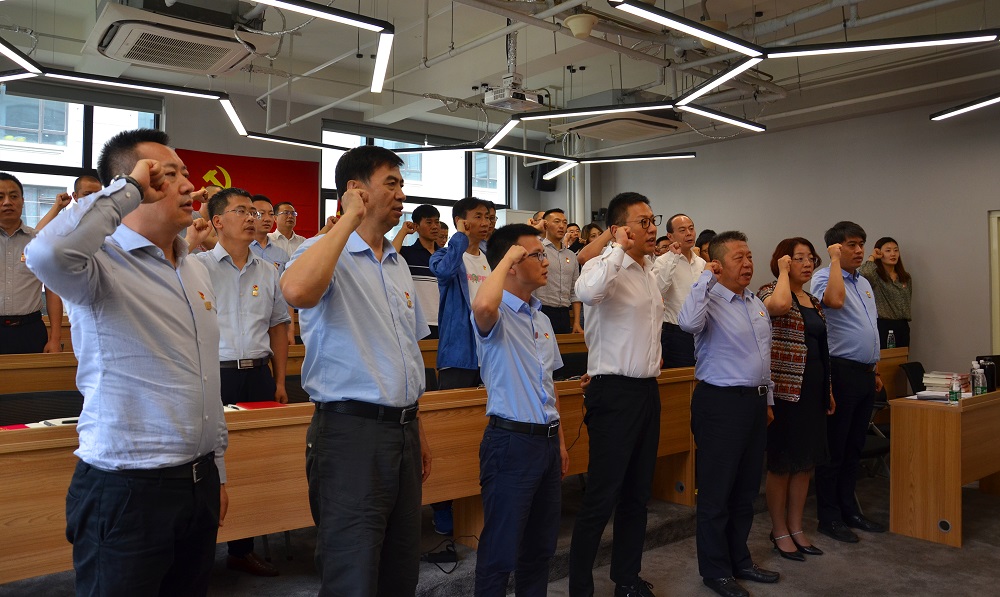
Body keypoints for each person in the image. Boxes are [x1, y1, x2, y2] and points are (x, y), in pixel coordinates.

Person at [25, 129, 228, 596]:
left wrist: (217, 471)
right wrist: (130, 188)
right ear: (132, 185)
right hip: (127, 490)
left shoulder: (193, 267)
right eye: (167, 175)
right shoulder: (99, 263)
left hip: (197, 480)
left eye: (185, 172)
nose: (188, 185)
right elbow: (46, 252)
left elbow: (204, 380)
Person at [280, 144, 432, 596]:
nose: (402, 194)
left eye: (402, 185)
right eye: (392, 183)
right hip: (351, 434)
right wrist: (347, 220)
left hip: (403, 431)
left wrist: (418, 429)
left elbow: (407, 354)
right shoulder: (322, 250)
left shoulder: (398, 264)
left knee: (400, 569)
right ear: (355, 190)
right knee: (354, 571)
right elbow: (297, 292)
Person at [569, 192, 664, 597]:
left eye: (653, 220)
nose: (652, 228)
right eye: (643, 222)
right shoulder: (603, 266)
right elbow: (587, 293)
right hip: (613, 392)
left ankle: (626, 579)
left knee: (638, 495)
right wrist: (615, 249)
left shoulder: (647, 271)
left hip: (647, 391)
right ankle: (580, 588)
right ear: (620, 228)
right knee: (601, 497)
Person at [678, 231, 780, 597]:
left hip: (754, 403)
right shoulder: (707, 298)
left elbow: (763, 357)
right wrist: (706, 278)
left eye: (749, 256)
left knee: (745, 490)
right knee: (717, 493)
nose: (748, 263)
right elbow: (687, 323)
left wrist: (767, 400)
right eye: (739, 258)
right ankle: (716, 571)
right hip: (720, 404)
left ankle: (740, 560)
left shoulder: (753, 301)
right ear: (718, 264)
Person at [196, 187, 291, 577]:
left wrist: (280, 380)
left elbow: (279, 326)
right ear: (218, 221)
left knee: (256, 461)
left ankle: (242, 548)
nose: (253, 218)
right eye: (242, 211)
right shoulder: (197, 266)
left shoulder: (268, 271)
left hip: (258, 376)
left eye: (254, 211)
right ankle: (200, 550)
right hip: (214, 375)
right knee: (209, 462)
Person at [471, 223, 569, 597]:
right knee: (500, 551)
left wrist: (560, 442)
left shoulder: (541, 318)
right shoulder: (494, 312)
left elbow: (549, 385)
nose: (546, 262)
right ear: (512, 264)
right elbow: (483, 304)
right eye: (537, 255)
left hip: (546, 443)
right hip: (511, 444)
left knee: (540, 549)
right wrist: (507, 255)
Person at [757, 238, 835, 563]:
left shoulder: (814, 301)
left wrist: (828, 389)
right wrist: (782, 274)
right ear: (783, 261)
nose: (807, 263)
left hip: (813, 391)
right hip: (784, 392)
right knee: (782, 464)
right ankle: (778, 530)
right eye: (798, 258)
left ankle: (796, 527)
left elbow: (820, 348)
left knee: (805, 464)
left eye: (810, 258)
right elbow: (777, 307)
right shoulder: (768, 292)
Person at [811, 221, 886, 544]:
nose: (859, 250)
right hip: (840, 372)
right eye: (852, 245)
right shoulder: (824, 277)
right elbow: (834, 302)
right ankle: (828, 517)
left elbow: (870, 327)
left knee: (854, 446)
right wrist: (834, 262)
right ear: (836, 248)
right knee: (836, 448)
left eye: (861, 244)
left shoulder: (865, 283)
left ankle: (849, 510)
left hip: (865, 373)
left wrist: (876, 368)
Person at [429, 196, 493, 390]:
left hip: (491, 351)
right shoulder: (443, 256)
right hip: (459, 352)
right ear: (460, 221)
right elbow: (445, 272)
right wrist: (460, 237)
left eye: (488, 217)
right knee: (455, 406)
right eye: (478, 216)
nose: (485, 222)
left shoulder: (491, 258)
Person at [0, 172, 63, 354]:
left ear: (22, 201)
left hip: (30, 330)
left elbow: (52, 291)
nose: (7, 202)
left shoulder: (40, 241)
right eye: (0, 197)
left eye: (13, 196)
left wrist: (55, 338)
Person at [652, 214, 706, 369]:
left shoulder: (701, 263)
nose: (689, 233)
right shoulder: (662, 261)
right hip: (676, 333)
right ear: (670, 236)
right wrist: (674, 258)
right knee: (680, 378)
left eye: (691, 228)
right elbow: (659, 290)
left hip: (701, 332)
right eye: (682, 230)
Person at [394, 204, 442, 338]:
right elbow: (390, 256)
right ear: (417, 226)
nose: (435, 226)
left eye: (437, 222)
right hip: (419, 322)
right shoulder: (408, 253)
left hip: (444, 321)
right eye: (429, 222)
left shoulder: (445, 255)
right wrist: (403, 231)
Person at [534, 208, 583, 334]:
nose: (561, 226)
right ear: (545, 224)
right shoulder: (538, 249)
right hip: (542, 310)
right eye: (557, 221)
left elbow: (574, 291)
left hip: (564, 313)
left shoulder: (571, 256)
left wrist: (576, 322)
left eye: (564, 222)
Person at [859, 237, 912, 348]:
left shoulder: (905, 277)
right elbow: (864, 273)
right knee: (884, 357)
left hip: (902, 325)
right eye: (888, 251)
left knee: (902, 357)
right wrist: (873, 256)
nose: (893, 254)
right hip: (883, 325)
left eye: (896, 250)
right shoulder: (875, 276)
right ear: (880, 253)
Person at [250, 195, 291, 272]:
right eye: (261, 213)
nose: (267, 219)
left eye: (271, 214)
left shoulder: (281, 254)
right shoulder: (240, 250)